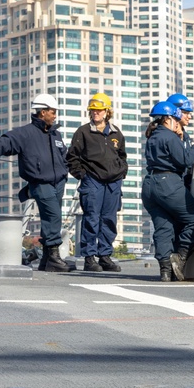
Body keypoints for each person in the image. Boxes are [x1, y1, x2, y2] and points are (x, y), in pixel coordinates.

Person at [0, 94, 72, 273]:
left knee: (51, 218)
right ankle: (53, 255)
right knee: (53, 216)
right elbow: (7, 142)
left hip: (58, 182)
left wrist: (65, 171)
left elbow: (63, 155)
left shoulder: (56, 134)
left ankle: (46, 259)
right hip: (39, 182)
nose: (55, 115)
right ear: (42, 112)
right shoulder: (25, 133)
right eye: (52, 112)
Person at [141, 100, 194, 281]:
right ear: (168, 119)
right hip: (167, 183)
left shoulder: (152, 136)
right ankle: (181, 256)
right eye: (175, 119)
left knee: (163, 227)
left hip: (149, 184)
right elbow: (185, 160)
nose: (178, 122)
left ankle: (165, 271)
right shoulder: (169, 137)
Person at [66, 93, 128, 273]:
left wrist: (122, 171)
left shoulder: (117, 133)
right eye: (92, 111)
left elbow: (122, 156)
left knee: (109, 219)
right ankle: (89, 257)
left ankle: (105, 256)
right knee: (91, 218)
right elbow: (72, 157)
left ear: (107, 112)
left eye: (99, 110)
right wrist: (82, 175)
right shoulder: (83, 132)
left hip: (114, 182)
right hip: (92, 180)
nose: (95, 113)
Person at [167, 93, 194, 190]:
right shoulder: (167, 136)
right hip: (171, 184)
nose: (189, 117)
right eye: (185, 113)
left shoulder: (185, 136)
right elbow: (185, 160)